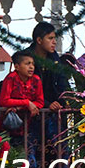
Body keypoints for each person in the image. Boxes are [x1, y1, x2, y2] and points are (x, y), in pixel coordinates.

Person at [27, 22, 71, 156]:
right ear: (39, 40)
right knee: (33, 154)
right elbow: (25, 88)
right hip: (32, 116)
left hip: (55, 115)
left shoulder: (55, 58)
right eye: (50, 38)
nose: (54, 42)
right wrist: (47, 104)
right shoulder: (26, 58)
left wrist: (67, 100)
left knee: (59, 153)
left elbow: (63, 81)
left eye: (55, 38)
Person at [0, 51, 45, 168]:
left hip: (29, 125)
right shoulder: (11, 78)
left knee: (29, 158)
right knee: (8, 158)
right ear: (17, 66)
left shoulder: (36, 80)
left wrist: (21, 106)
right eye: (27, 64)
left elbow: (40, 102)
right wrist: (26, 103)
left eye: (32, 64)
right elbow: (4, 100)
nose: (31, 67)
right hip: (9, 125)